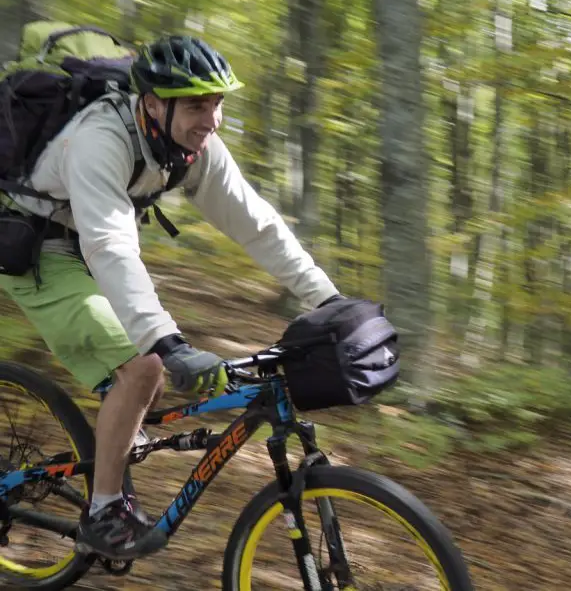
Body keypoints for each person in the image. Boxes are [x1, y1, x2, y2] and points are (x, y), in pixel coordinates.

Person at [0, 36, 341, 560]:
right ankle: (102, 510)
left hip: (87, 240)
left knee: (144, 371)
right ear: (154, 104)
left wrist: (329, 300)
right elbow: (111, 248)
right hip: (35, 248)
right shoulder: (99, 139)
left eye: (219, 103)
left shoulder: (193, 148)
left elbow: (258, 226)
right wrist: (166, 342)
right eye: (199, 105)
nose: (213, 119)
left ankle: (111, 443)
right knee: (145, 367)